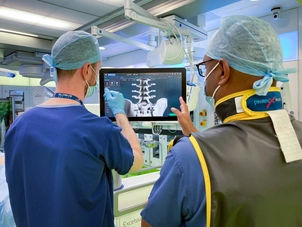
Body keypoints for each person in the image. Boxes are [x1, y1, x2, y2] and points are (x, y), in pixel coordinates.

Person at [141, 15, 302, 227]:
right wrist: (193, 134)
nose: (205, 79)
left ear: (223, 71)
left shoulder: (187, 156)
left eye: (206, 68)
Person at [4, 30, 143, 227]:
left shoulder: (19, 125)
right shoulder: (97, 129)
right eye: (97, 69)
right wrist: (121, 113)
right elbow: (136, 161)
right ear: (87, 70)